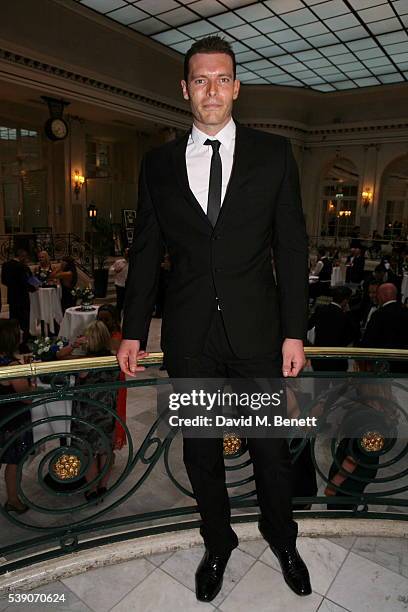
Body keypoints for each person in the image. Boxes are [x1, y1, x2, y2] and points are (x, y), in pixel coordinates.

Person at [117, 36, 311, 601]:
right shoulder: (157, 165)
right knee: (201, 451)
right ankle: (217, 542)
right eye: (200, 79)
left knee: (272, 451)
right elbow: (147, 253)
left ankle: (283, 538)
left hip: (258, 335)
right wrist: (132, 329)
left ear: (237, 87)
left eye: (222, 78)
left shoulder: (274, 155)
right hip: (190, 338)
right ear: (184, 89)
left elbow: (293, 247)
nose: (211, 90)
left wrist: (295, 330)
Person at [71, 321, 118, 501]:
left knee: (87, 452)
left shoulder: (84, 363)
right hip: (107, 412)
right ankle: (103, 486)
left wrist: (74, 346)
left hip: (86, 416)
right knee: (105, 450)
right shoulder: (113, 359)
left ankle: (91, 489)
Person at [0, 319, 35, 514]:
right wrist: (33, 386)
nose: (21, 332)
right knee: (14, 463)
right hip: (12, 422)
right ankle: (13, 500)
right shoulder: (11, 366)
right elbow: (27, 397)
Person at [97, 304, 127, 450]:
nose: (102, 323)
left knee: (115, 410)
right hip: (103, 379)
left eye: (106, 319)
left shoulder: (116, 336)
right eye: (99, 319)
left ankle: (110, 447)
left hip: (115, 379)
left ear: (114, 320)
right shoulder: (101, 333)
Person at [361, 283, 408, 373]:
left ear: (381, 296)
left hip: (382, 365)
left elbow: (368, 341)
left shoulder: (378, 314)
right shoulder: (405, 312)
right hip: (404, 364)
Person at [1, 249, 37, 352]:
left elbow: (4, 281)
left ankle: (13, 343)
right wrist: (34, 288)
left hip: (12, 297)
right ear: (22, 256)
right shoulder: (21, 266)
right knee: (24, 321)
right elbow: (26, 282)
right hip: (22, 298)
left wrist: (13, 286)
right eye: (25, 257)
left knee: (14, 320)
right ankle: (23, 346)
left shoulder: (5, 265)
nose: (26, 259)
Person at [109, 250, 129, 319]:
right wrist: (115, 270)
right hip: (120, 284)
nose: (127, 256)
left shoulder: (134, 263)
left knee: (128, 304)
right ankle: (118, 318)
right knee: (119, 303)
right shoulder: (119, 262)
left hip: (129, 286)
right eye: (126, 254)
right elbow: (111, 269)